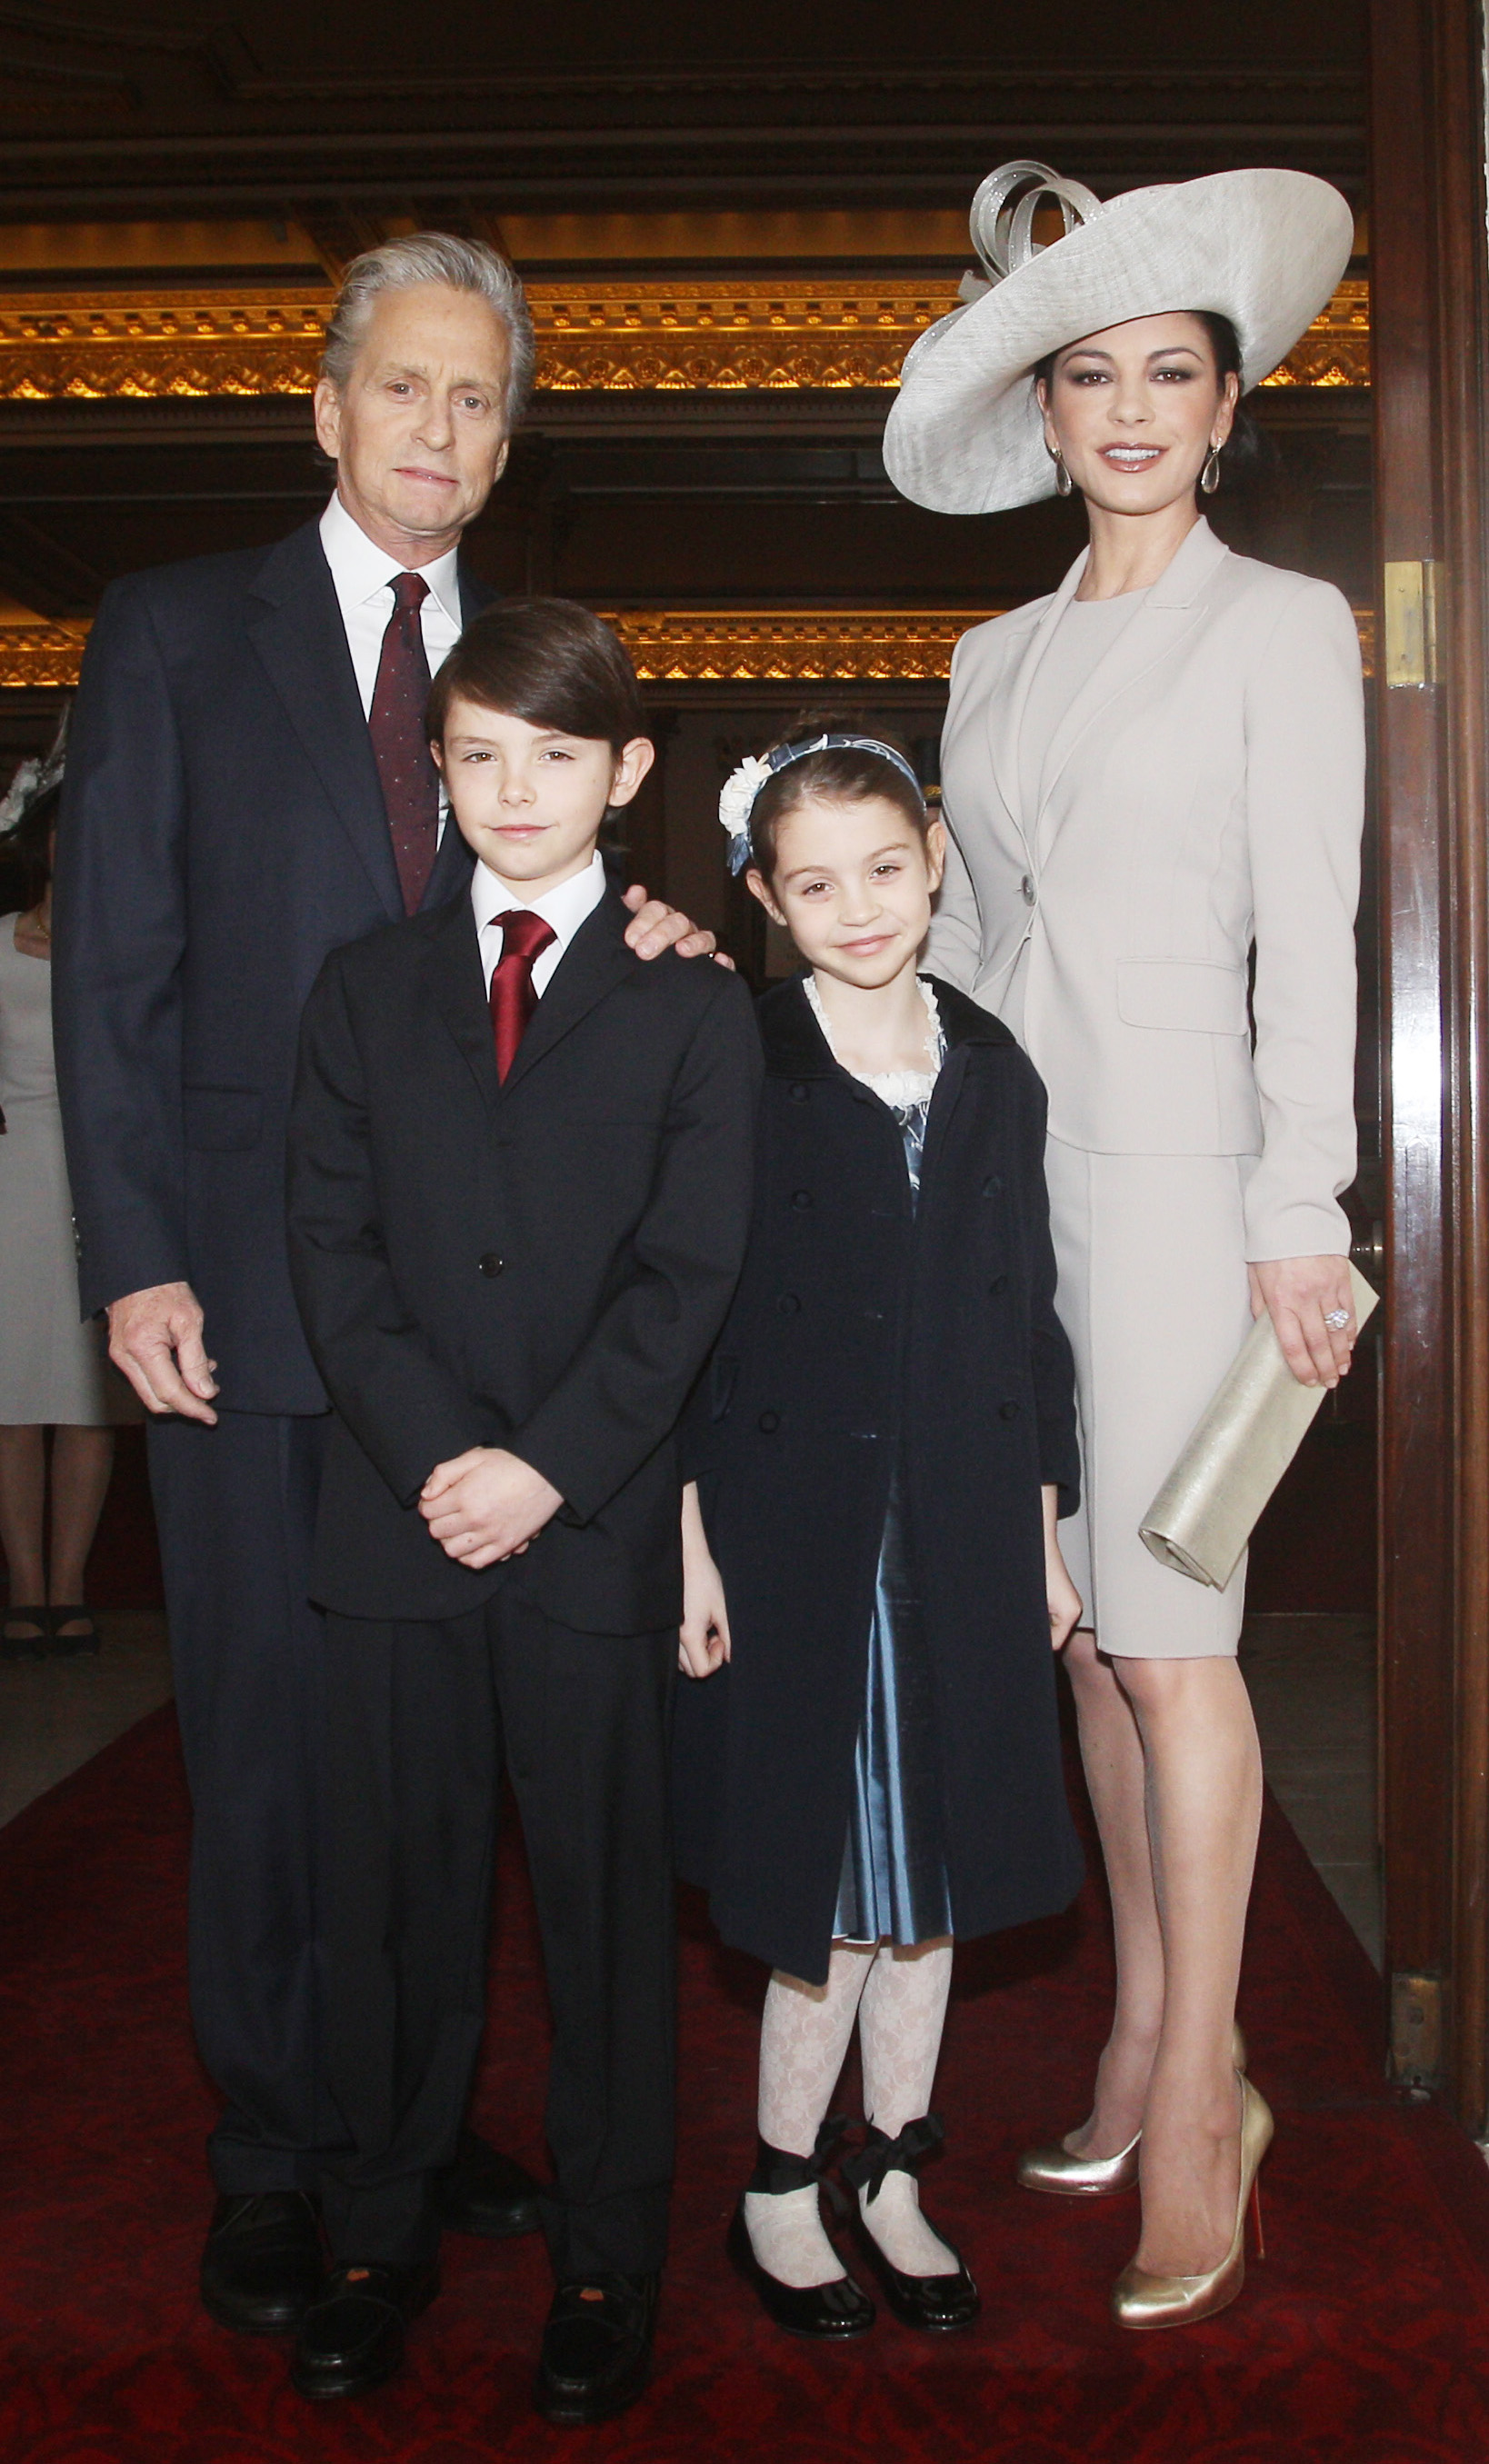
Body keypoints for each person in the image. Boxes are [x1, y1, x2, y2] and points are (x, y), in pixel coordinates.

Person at [50, 233, 712, 2338]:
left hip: (495, 1347)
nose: (440, 430)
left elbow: (556, 902)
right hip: (247, 1300)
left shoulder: (521, 667)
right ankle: (276, 2152)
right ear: (326, 407)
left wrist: (660, 932)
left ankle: (411, 2125)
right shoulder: (171, 635)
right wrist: (134, 1251)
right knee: (264, 1746)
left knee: (451, 1772)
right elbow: (118, 978)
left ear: (505, 443)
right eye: (405, 389)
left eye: (477, 401)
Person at [882, 162, 1363, 2329]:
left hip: (1186, 1196)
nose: (1135, 408)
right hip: (1009, 1199)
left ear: (1225, 404)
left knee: (1178, 1638)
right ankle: (1140, 2036)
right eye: (1093, 377)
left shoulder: (1287, 624)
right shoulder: (982, 653)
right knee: (1079, 1637)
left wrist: (1302, 1214)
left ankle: (1206, 2097)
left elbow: (1315, 943)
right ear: (1049, 420)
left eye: (1172, 370)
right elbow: (963, 941)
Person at [284, 599, 758, 2419]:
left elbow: (690, 1272)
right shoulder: (363, 985)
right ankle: (373, 2231)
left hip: (589, 1530)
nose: (513, 787)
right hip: (395, 1528)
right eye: (475, 752)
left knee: (604, 1912)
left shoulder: (692, 1000)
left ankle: (606, 2253)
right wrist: (435, 1456)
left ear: (626, 775)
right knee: (389, 1903)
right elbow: (329, 1246)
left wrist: (546, 1462)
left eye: (555, 754)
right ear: (437, 767)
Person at [670, 716, 1084, 2341]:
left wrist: (1042, 1533)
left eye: (886, 870)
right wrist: (689, 1548)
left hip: (964, 1529)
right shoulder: (741, 1063)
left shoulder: (989, 1064)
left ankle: (892, 2166)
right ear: (765, 897)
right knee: (824, 1878)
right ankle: (779, 2181)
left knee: (940, 1874)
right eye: (815, 882)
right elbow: (692, 1320)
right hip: (794, 1534)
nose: (858, 907)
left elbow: (1024, 1321)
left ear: (929, 860)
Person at [0, 723, 138, 1659]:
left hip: (101, 1182)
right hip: (11, 1181)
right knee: (13, 1400)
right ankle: (24, 1585)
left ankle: (74, 1580)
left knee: (86, 1400)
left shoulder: (131, 947)